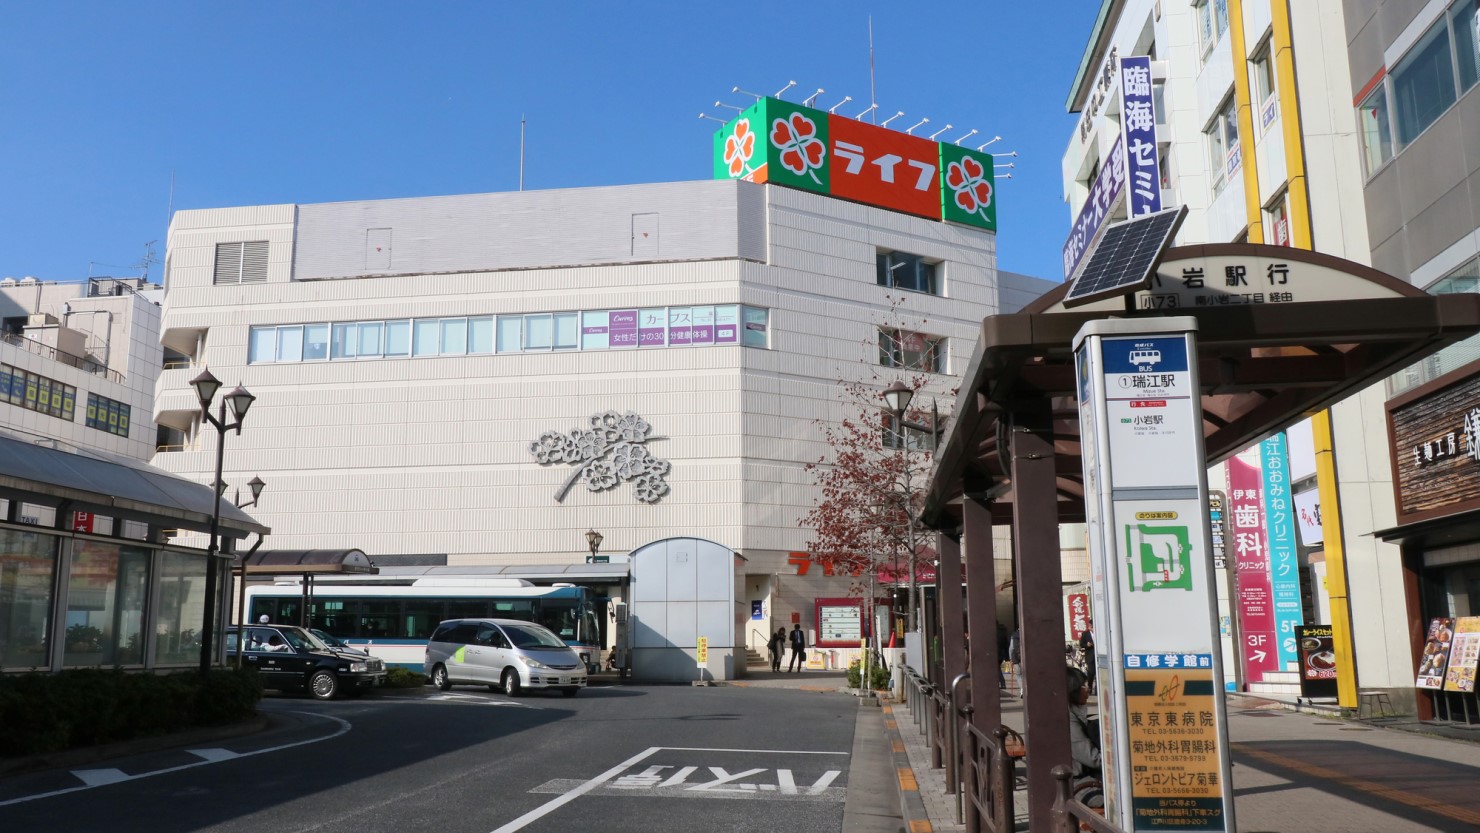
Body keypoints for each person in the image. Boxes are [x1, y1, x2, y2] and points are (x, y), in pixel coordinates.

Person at [1066, 665, 1104, 809]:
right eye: (1082, 685)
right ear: (1072, 689)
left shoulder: (1073, 713)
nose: (1087, 689)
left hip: (1085, 779)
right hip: (1080, 785)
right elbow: (1092, 758)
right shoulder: (1069, 719)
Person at [1079, 620, 1097, 693]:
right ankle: (1089, 687)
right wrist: (1087, 645)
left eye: (1093, 627)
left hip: (1098, 656)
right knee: (1091, 672)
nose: (1091, 628)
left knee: (1098, 673)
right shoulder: (1085, 634)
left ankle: (1097, 689)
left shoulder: (1099, 632)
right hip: (1090, 656)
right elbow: (1081, 644)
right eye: (1091, 627)